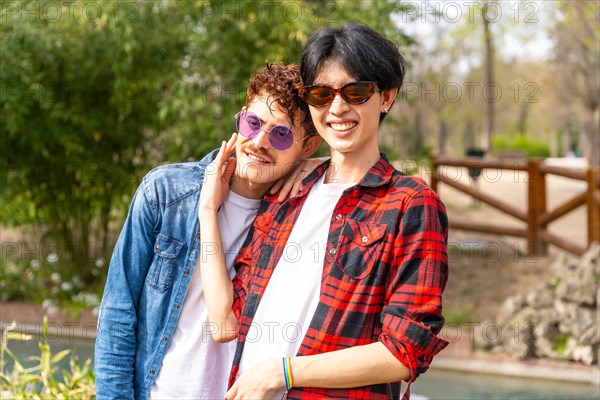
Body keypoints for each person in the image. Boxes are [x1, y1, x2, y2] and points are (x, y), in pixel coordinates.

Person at [199, 24, 449, 400]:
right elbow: (224, 322)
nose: (337, 108)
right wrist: (207, 210)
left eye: (356, 91)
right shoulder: (287, 194)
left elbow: (404, 350)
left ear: (386, 97)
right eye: (321, 94)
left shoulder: (409, 203)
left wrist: (283, 372)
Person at [94, 63, 321, 400]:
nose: (259, 141)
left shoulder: (301, 216)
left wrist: (325, 166)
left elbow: (372, 174)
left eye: (281, 134)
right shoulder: (165, 193)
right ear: (241, 117)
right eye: (253, 123)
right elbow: (117, 312)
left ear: (308, 147)